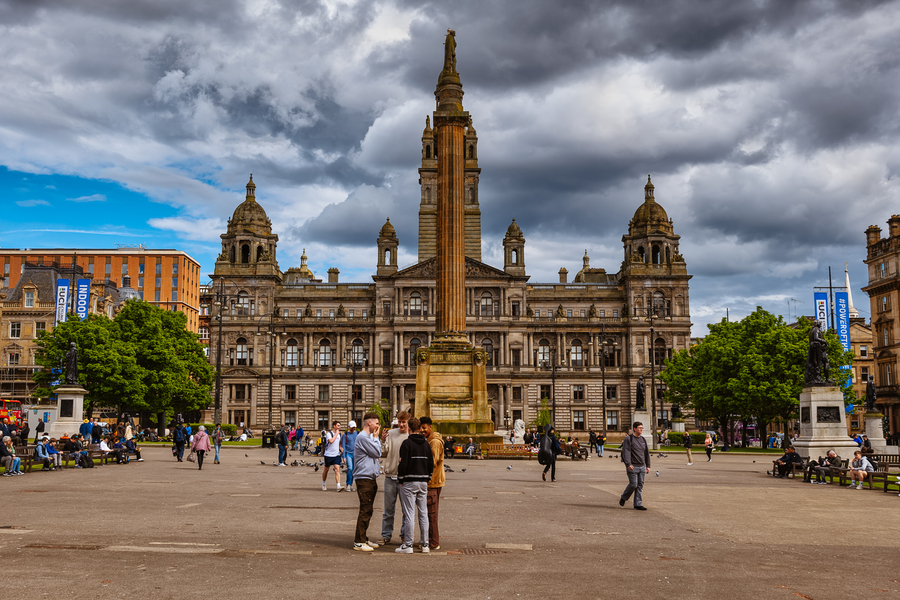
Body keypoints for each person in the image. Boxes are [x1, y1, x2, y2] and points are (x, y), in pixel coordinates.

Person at [396, 417, 433, 554]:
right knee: (423, 513)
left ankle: (408, 545)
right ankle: (425, 544)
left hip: (409, 481)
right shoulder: (426, 444)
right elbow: (430, 463)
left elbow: (403, 464)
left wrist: (401, 479)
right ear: (420, 428)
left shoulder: (406, 443)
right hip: (423, 481)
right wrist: (427, 477)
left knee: (409, 513)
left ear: (409, 429)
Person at [351, 412, 382, 552]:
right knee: (365, 509)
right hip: (364, 478)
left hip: (369, 477)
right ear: (369, 423)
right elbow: (377, 453)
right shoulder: (363, 437)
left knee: (368, 509)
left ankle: (363, 538)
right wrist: (376, 438)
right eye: (376, 423)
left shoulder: (366, 437)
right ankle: (359, 541)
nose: (377, 426)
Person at [379, 411, 410, 546]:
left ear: (408, 422)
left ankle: (404, 535)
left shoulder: (411, 435)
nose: (401, 424)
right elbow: (383, 453)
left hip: (406, 479)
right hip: (390, 476)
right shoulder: (391, 433)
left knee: (405, 510)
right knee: (388, 510)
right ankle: (386, 535)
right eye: (399, 421)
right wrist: (383, 441)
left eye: (404, 422)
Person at [420, 416, 444, 551]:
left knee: (431, 513)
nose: (422, 430)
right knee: (429, 512)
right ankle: (429, 539)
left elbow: (432, 463)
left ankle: (433, 542)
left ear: (430, 427)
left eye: (424, 427)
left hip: (432, 481)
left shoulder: (434, 443)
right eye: (420, 428)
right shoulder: (429, 440)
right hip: (432, 481)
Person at [619, 422, 650, 511]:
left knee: (640, 485)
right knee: (633, 484)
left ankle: (638, 504)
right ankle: (624, 497)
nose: (641, 429)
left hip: (642, 466)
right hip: (632, 466)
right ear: (634, 428)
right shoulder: (629, 439)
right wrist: (628, 464)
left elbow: (646, 453)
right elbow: (626, 452)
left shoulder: (643, 439)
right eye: (639, 428)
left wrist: (648, 465)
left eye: (642, 428)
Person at [322, 421, 343, 491]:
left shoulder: (339, 434)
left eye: (339, 426)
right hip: (328, 455)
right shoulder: (329, 434)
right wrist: (336, 434)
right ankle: (323, 484)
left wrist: (341, 448)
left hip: (336, 454)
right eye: (338, 425)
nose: (339, 427)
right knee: (326, 470)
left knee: (337, 469)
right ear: (334, 426)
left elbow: (339, 443)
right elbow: (331, 441)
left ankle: (338, 486)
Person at [342, 421, 359, 492]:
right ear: (349, 427)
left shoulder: (357, 433)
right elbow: (343, 446)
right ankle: (348, 484)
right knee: (350, 468)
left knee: (354, 470)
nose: (353, 428)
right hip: (348, 453)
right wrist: (344, 456)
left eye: (354, 427)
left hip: (356, 454)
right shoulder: (345, 435)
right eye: (352, 427)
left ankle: (351, 484)